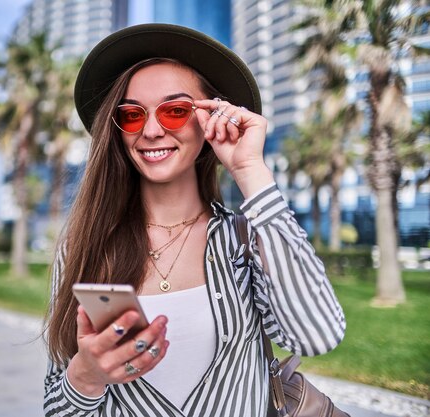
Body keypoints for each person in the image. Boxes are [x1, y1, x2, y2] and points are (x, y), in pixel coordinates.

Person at [43, 23, 346, 417]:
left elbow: (317, 334)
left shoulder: (243, 240)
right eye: (132, 115)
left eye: (174, 111)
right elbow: (56, 408)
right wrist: (85, 377)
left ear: (209, 120)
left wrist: (250, 168)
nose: (151, 130)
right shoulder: (83, 249)